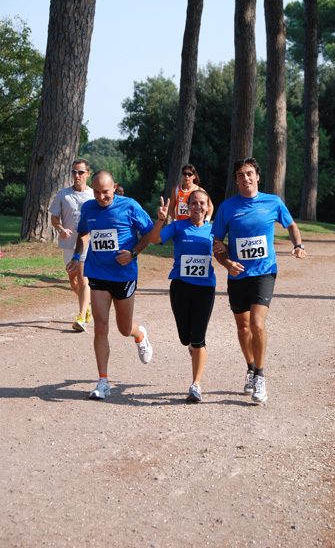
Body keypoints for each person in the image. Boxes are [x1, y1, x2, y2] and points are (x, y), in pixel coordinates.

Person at [212, 157, 307, 405]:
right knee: (243, 328)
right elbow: (217, 243)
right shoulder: (227, 207)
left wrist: (298, 245)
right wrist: (226, 263)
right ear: (236, 180)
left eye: (249, 174)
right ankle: (251, 368)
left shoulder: (273, 202)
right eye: (241, 175)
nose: (246, 179)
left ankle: (261, 376)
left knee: (257, 324)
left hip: (264, 272)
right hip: (237, 274)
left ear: (257, 176)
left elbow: (292, 225)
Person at [66, 170, 154, 400]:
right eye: (96, 192)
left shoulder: (130, 206)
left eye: (105, 192)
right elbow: (83, 234)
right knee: (101, 325)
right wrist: (77, 256)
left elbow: (150, 233)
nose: (101, 197)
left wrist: (133, 253)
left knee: (124, 328)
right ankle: (103, 381)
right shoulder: (89, 208)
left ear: (114, 188)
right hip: (97, 272)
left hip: (123, 275)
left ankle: (140, 335)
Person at [148, 190, 215, 402]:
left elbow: (224, 252)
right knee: (185, 337)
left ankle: (196, 385)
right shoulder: (177, 226)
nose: (198, 207)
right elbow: (154, 239)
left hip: (205, 288)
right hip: (180, 286)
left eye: (202, 203)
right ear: (187, 206)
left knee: (199, 339)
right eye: (194, 203)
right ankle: (192, 346)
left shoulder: (214, 230)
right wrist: (160, 220)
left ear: (207, 206)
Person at [49, 158, 94, 332]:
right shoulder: (63, 194)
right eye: (74, 172)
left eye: (80, 172)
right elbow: (54, 217)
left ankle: (81, 317)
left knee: (83, 279)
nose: (77, 175)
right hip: (68, 243)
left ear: (88, 174)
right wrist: (60, 228)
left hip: (86, 243)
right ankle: (87, 304)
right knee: (73, 281)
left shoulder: (93, 195)